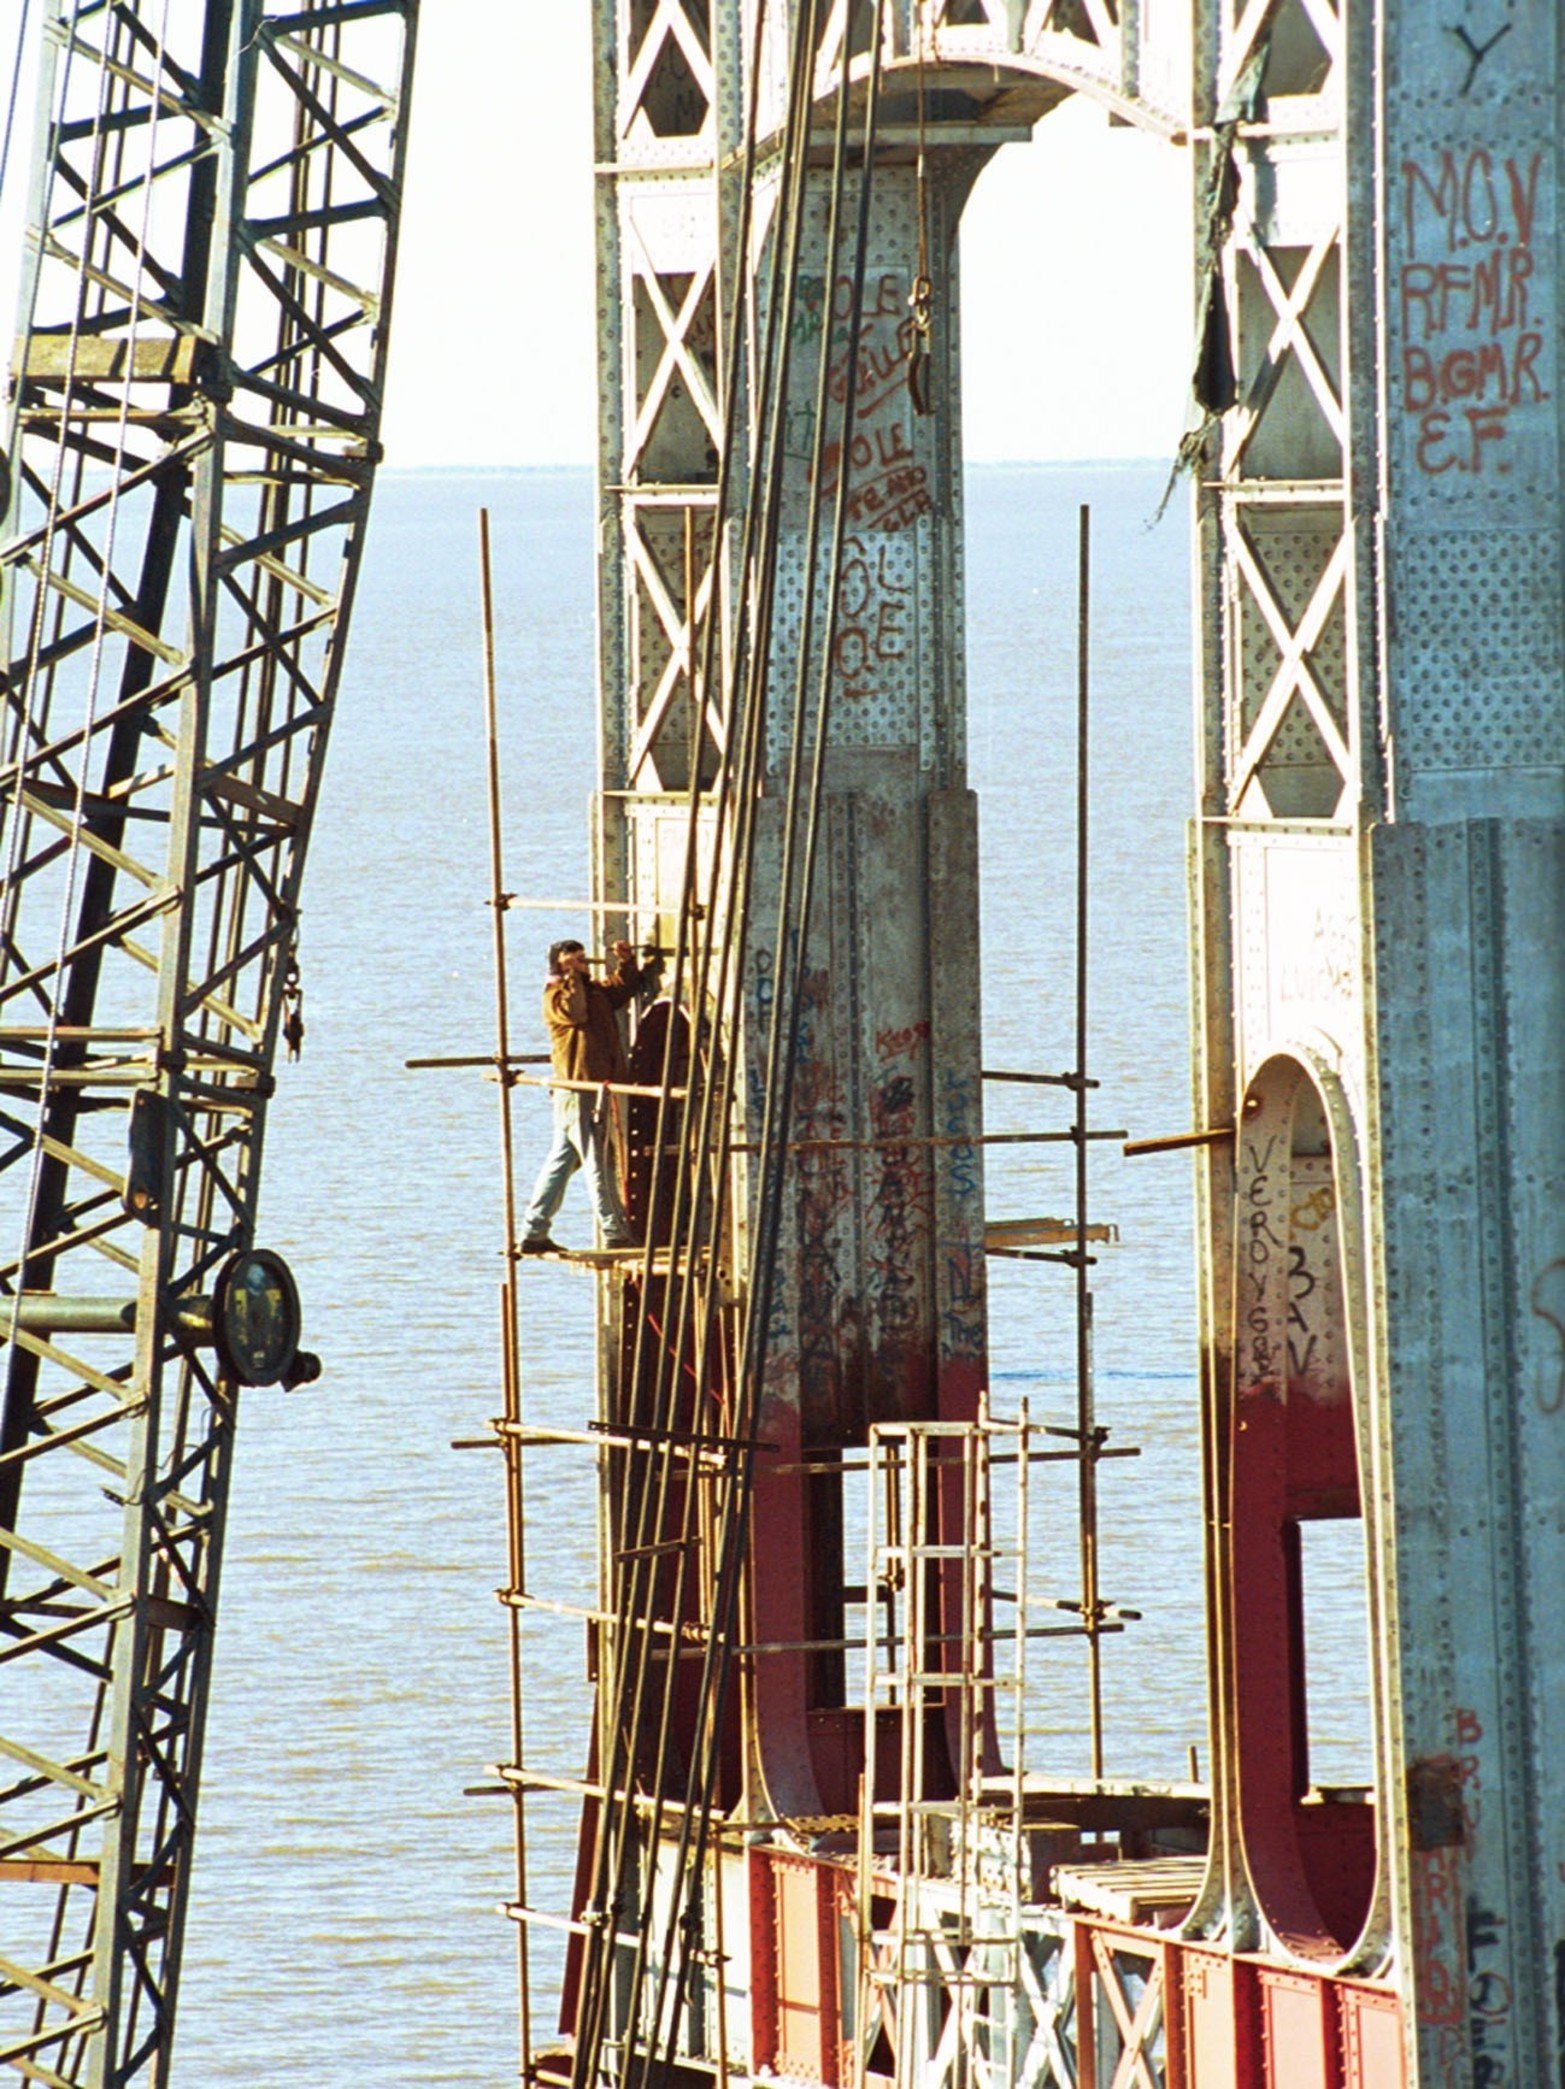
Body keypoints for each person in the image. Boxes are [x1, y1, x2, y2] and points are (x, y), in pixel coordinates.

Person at [519, 938, 642, 1252]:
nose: (583, 963)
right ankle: (615, 1231)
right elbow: (574, 1013)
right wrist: (570, 977)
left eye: (582, 958)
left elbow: (621, 989)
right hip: (580, 1090)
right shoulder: (555, 998)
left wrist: (625, 963)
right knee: (598, 1160)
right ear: (559, 965)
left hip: (583, 1091)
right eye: (573, 959)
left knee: (561, 1162)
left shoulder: (593, 993)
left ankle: (534, 1232)